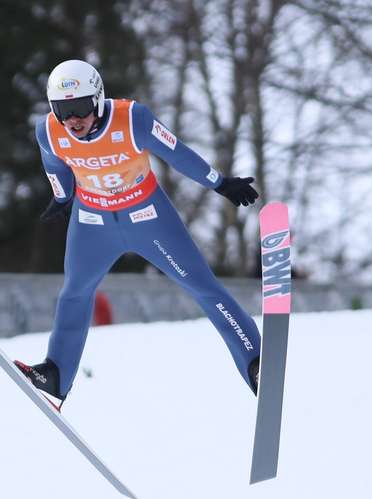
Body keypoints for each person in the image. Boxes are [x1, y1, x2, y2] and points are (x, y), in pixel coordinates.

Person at [15, 59, 261, 410]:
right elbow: (54, 165)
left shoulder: (132, 119)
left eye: (81, 106)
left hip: (148, 217)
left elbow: (177, 154)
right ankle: (57, 374)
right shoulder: (49, 131)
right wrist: (61, 197)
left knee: (203, 286)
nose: (73, 119)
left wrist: (220, 183)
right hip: (92, 222)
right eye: (63, 110)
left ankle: (254, 362)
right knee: (74, 292)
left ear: (98, 98)